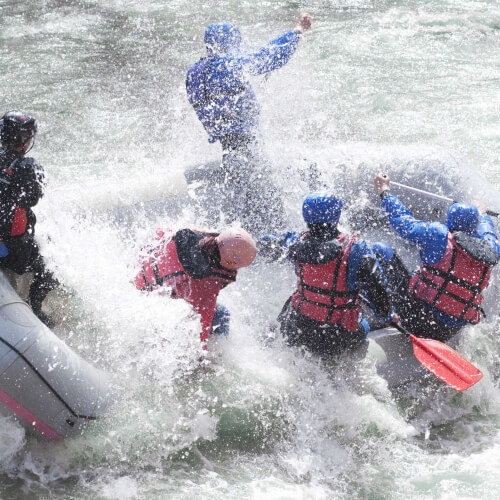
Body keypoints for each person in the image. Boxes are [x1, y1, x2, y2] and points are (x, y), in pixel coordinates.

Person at [186, 14, 312, 234]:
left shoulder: (193, 74)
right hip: (248, 149)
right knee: (269, 208)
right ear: (229, 43)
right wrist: (297, 31)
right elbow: (270, 56)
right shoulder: (228, 63)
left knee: (247, 207)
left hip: (228, 149)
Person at [259, 191, 396, 358]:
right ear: (337, 215)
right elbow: (378, 288)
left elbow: (266, 244)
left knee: (290, 306)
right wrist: (387, 315)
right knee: (365, 326)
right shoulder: (356, 248)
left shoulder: (294, 240)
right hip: (336, 335)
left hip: (299, 325)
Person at [373, 172, 499, 342]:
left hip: (418, 320)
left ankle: (383, 315)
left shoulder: (440, 236)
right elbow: (489, 232)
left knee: (379, 250)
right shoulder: (491, 250)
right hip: (451, 330)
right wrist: (482, 214)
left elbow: (402, 222)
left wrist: (384, 191)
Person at [135, 226, 257, 349]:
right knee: (221, 315)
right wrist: (201, 355)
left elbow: (162, 232)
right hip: (151, 298)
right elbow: (203, 322)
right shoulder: (205, 282)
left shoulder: (198, 237)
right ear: (231, 263)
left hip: (139, 268)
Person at [0, 110, 58, 327]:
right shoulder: (27, 167)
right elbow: (35, 197)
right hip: (14, 251)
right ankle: (36, 306)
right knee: (54, 262)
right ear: (25, 142)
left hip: (2, 245)